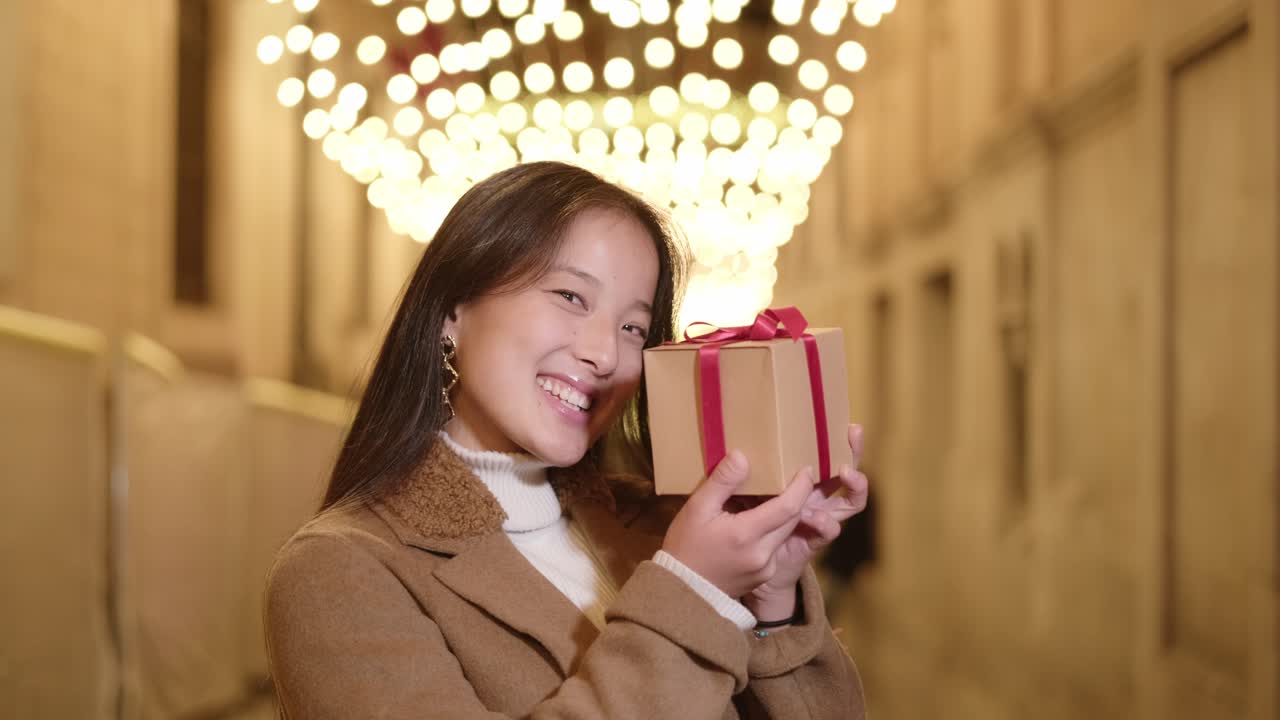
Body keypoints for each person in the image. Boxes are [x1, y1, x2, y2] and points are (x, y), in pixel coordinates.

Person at [264, 161, 870, 719]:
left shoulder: (665, 525)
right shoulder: (339, 570)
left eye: (633, 326)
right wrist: (693, 594)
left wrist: (771, 595)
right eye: (570, 297)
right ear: (452, 307)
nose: (605, 354)